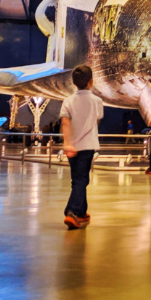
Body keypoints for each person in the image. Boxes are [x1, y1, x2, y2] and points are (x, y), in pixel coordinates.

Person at [60, 65, 104, 230]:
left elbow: (65, 122)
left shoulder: (68, 101)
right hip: (87, 146)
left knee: (77, 180)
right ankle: (71, 211)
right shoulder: (97, 101)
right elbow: (97, 120)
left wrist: (68, 143)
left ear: (73, 82)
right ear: (91, 82)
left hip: (72, 146)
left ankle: (82, 212)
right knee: (82, 180)